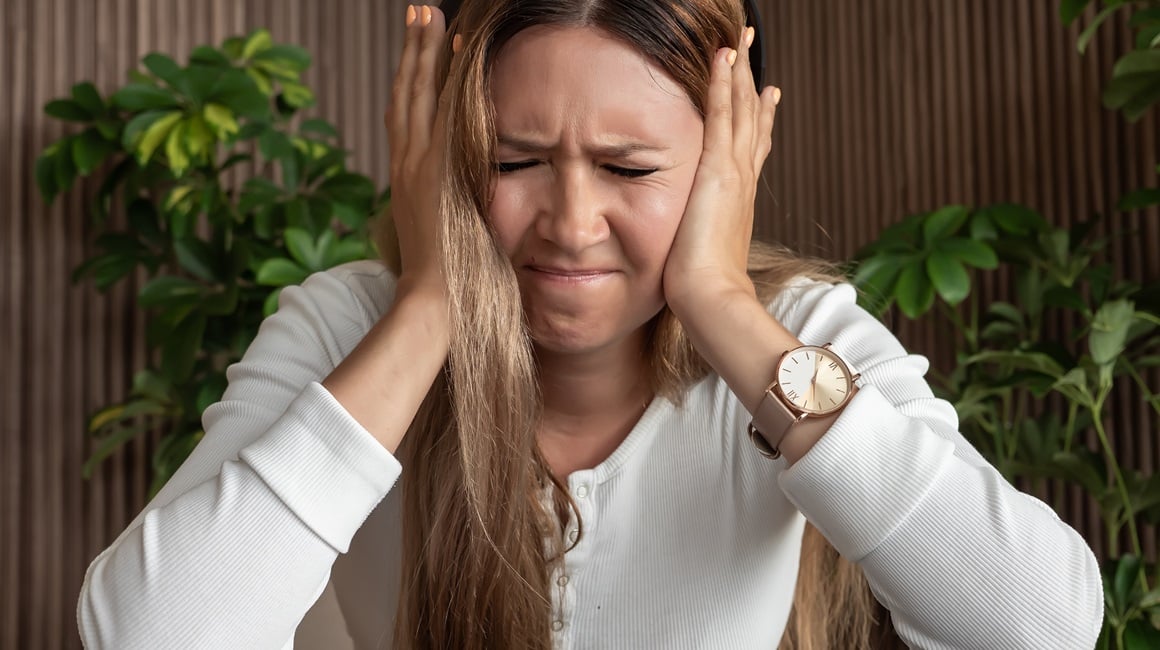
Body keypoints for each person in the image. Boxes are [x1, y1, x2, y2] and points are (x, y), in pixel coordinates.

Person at [76, 1, 1104, 648]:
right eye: (514, 161)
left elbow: (1036, 622)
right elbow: (145, 633)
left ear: (726, 163)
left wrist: (717, 302)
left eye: (628, 169)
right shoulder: (347, 322)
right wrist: (435, 298)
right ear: (442, 149)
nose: (570, 224)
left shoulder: (792, 333)